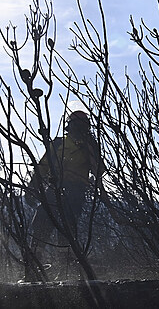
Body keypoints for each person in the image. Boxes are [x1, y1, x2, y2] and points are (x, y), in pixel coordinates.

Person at [24, 110, 103, 281]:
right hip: (55, 188)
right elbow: (43, 166)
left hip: (75, 191)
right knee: (41, 224)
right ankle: (33, 270)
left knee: (66, 229)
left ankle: (64, 270)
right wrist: (32, 187)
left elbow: (99, 171)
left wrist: (91, 151)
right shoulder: (58, 143)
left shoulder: (90, 146)